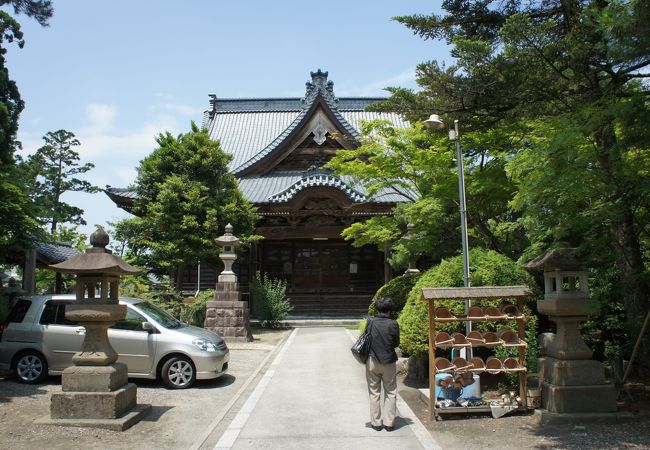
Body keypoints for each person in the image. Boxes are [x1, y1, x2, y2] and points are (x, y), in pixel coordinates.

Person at [365, 296, 400, 431]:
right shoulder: (393, 324)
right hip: (388, 362)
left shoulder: (370, 322)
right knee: (391, 392)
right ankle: (389, 423)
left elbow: (366, 339)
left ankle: (376, 423)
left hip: (372, 361)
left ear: (377, 309)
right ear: (390, 310)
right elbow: (396, 343)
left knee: (374, 392)